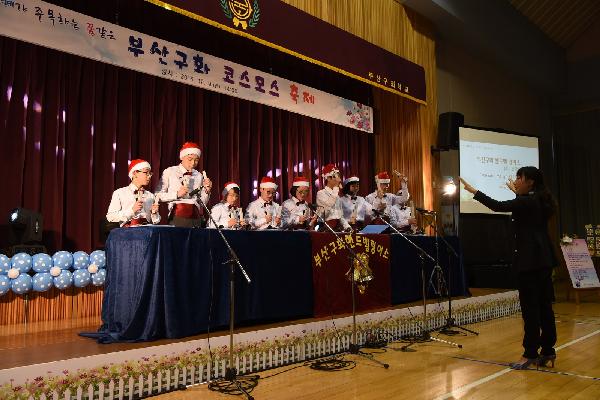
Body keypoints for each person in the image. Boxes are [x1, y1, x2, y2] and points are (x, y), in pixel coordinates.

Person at [460, 167, 557, 369]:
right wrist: (516, 193)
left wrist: (473, 191)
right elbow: (526, 209)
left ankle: (529, 354)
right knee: (545, 307)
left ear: (530, 182)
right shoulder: (541, 199)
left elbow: (497, 206)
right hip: (544, 260)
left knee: (530, 310)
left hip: (529, 261)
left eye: (519, 178)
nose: (515, 181)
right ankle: (548, 351)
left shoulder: (526, 201)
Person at [155, 142, 212, 227]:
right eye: (190, 159)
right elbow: (158, 195)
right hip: (177, 216)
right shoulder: (170, 171)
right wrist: (177, 194)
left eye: (196, 160)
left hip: (196, 217)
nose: (193, 163)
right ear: (182, 157)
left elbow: (202, 202)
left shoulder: (199, 175)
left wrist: (207, 191)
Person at [106, 159, 160, 226]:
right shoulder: (120, 193)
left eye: (150, 173)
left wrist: (154, 213)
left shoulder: (150, 196)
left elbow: (155, 221)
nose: (149, 176)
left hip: (147, 232)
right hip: (128, 233)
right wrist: (132, 211)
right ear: (135, 173)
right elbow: (110, 217)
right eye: (146, 173)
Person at [315, 164, 350, 232]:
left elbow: (340, 216)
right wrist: (336, 187)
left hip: (337, 229)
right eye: (336, 177)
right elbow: (326, 209)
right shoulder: (321, 193)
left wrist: (348, 227)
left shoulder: (337, 196)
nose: (339, 179)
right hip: (325, 228)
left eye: (339, 176)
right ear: (328, 178)